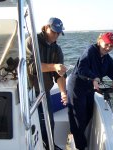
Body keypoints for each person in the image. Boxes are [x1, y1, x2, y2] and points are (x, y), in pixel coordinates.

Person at [67, 32, 113, 150]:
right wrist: (94, 77)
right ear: (100, 41)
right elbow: (81, 68)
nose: (108, 48)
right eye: (107, 44)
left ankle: (76, 138)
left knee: (88, 115)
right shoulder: (90, 50)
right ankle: (79, 146)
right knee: (78, 119)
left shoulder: (107, 59)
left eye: (112, 46)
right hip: (77, 86)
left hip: (90, 88)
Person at [26, 17, 67, 150]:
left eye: (58, 33)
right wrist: (54, 66)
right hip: (30, 92)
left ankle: (49, 145)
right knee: (33, 124)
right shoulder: (32, 41)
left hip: (45, 92)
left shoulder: (57, 49)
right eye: (53, 31)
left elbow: (59, 75)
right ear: (46, 27)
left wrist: (63, 92)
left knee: (49, 123)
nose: (56, 35)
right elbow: (30, 67)